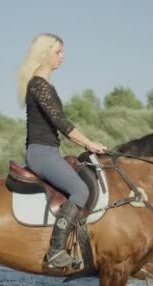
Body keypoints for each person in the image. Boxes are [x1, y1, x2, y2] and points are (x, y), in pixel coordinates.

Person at [17, 33, 107, 268]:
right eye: (58, 52)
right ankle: (56, 250)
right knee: (79, 190)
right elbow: (61, 122)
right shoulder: (38, 84)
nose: (62, 57)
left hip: (50, 152)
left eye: (62, 52)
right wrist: (89, 143)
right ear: (44, 54)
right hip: (41, 153)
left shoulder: (46, 85)